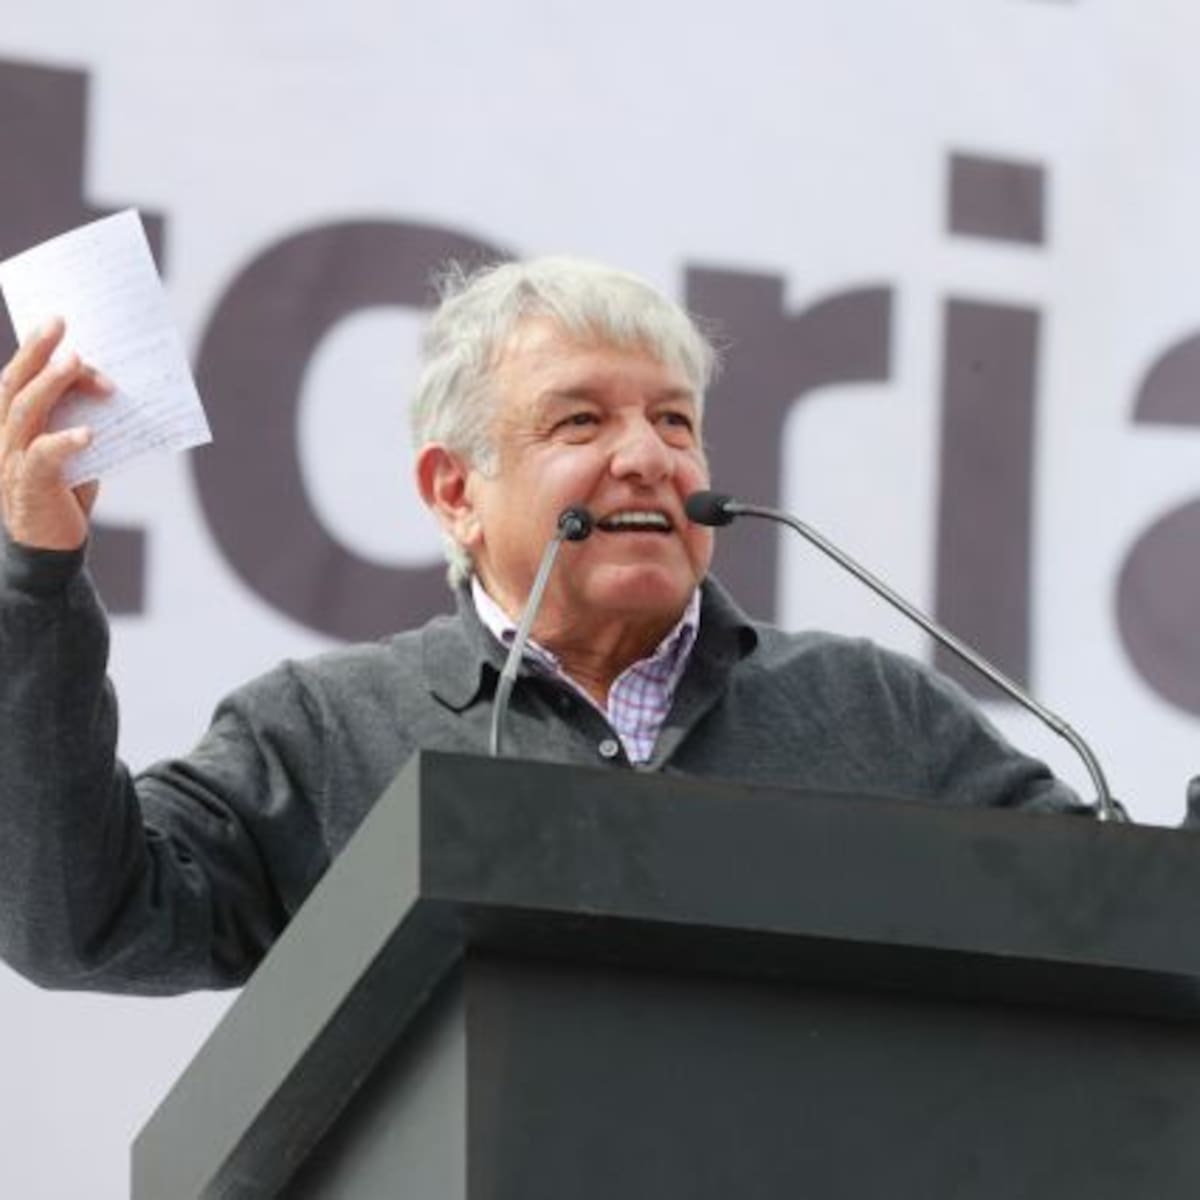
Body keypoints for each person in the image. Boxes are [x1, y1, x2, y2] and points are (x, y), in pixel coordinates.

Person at [0, 257, 1085, 995]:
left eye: (675, 420)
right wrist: (35, 584)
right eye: (581, 421)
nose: (648, 457)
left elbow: (1114, 914)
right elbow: (79, 923)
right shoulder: (323, 732)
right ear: (455, 492)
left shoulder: (873, 710)